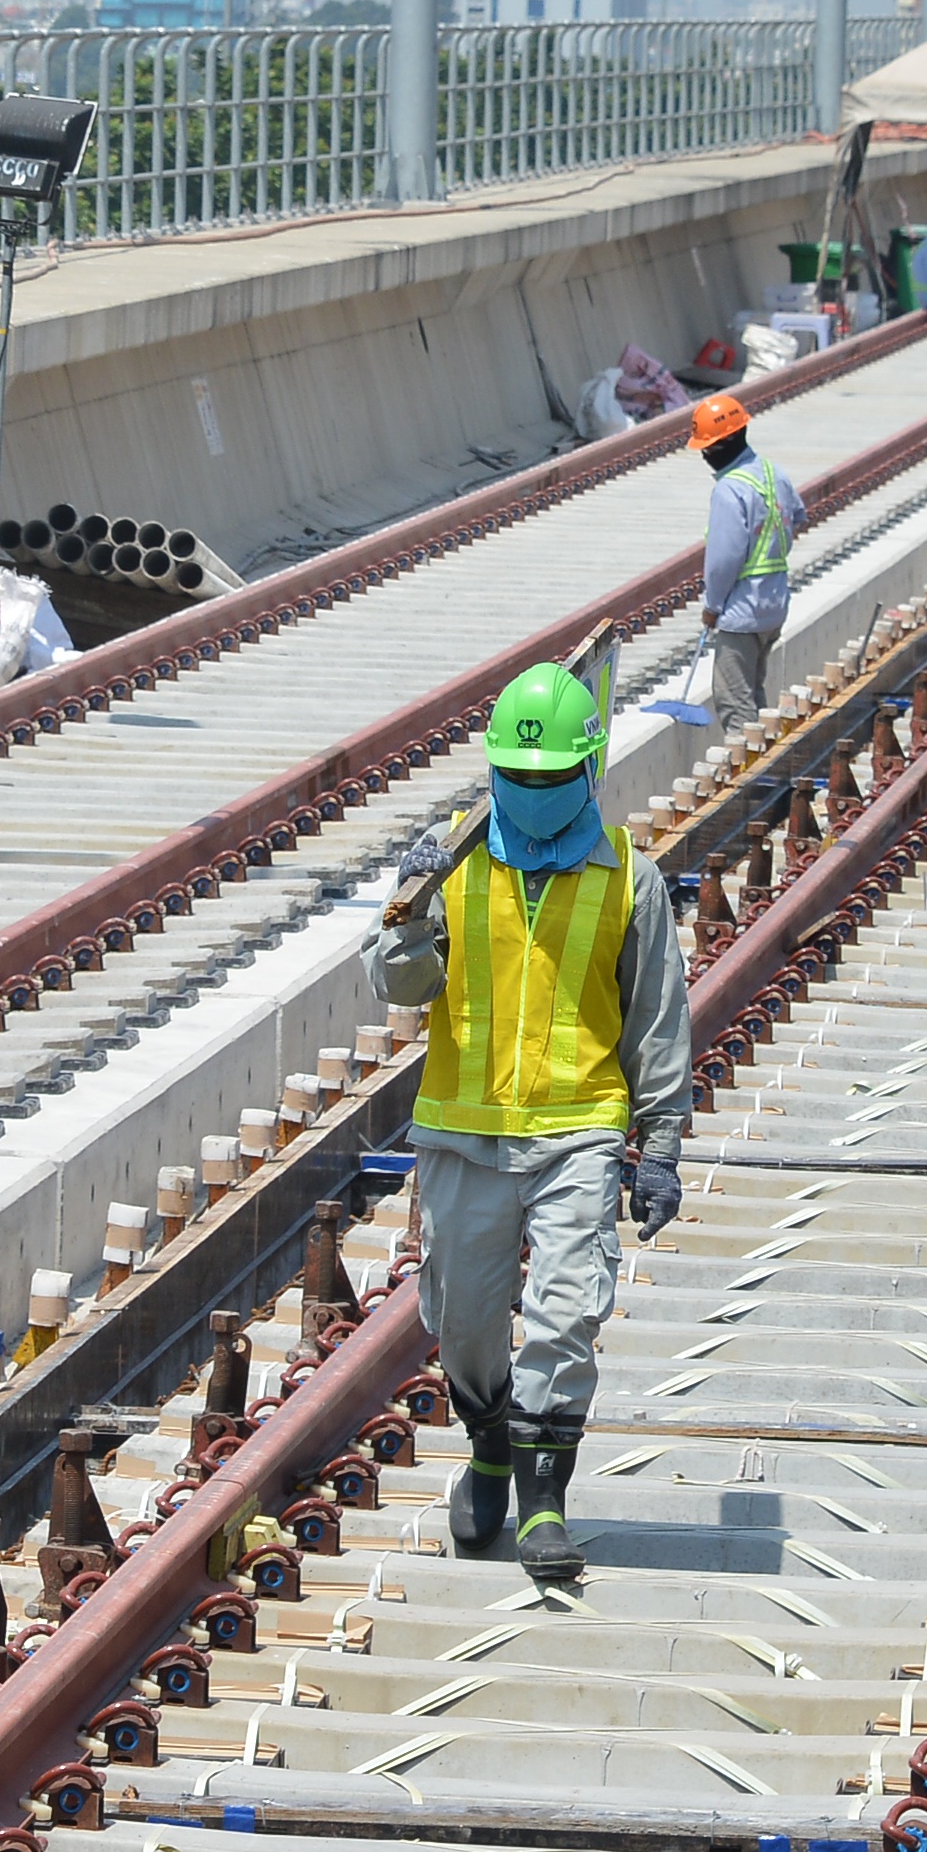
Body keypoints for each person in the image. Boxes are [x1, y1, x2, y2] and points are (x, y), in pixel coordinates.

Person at [372, 669, 687, 1591]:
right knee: (464, 1318)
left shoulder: (628, 875)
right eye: (520, 776)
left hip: (579, 1129)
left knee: (564, 1314)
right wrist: (405, 919)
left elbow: (656, 1018)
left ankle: (544, 1500)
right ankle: (490, 1449)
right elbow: (399, 990)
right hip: (464, 1132)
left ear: (590, 769)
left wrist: (659, 1143)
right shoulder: (452, 857)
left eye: (552, 778)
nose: (535, 793)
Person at [690, 396, 799, 721]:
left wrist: (712, 606)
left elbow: (725, 558)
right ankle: (767, 761)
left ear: (721, 444)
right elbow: (799, 514)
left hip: (741, 613)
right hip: (774, 605)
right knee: (755, 694)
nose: (705, 455)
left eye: (706, 448)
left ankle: (753, 772)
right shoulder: (772, 473)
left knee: (735, 707)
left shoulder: (729, 490)